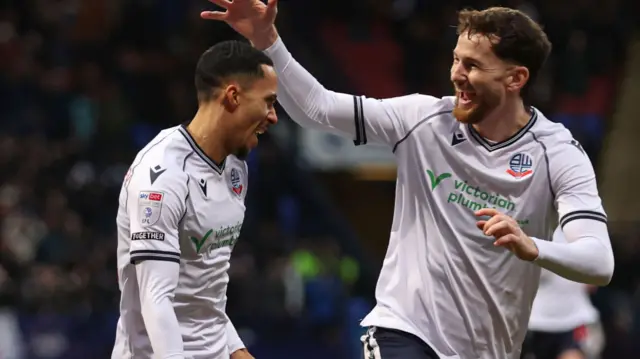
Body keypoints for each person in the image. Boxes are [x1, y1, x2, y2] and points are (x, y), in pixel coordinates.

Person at [202, 1, 615, 358]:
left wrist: (533, 246)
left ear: (515, 79)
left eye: (472, 65)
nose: (456, 74)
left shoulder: (557, 152)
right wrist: (267, 40)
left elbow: (599, 261)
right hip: (405, 330)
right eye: (456, 59)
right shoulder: (422, 119)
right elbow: (318, 109)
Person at [111, 40, 278, 359]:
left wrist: (236, 349)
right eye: (268, 102)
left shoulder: (235, 169)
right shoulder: (161, 176)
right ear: (233, 97)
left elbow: (206, 289)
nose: (273, 117)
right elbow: (155, 299)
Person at [522, 227, 605, 359]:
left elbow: (595, 278)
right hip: (535, 323)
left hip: (575, 321)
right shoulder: (532, 228)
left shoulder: (582, 229)